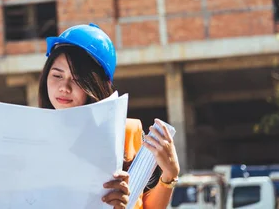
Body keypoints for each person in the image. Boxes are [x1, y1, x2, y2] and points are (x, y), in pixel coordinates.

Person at [40, 23, 181, 209]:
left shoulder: (127, 133)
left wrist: (169, 175)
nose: (64, 88)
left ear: (97, 86)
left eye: (77, 80)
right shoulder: (33, 137)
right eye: (57, 76)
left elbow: (145, 206)